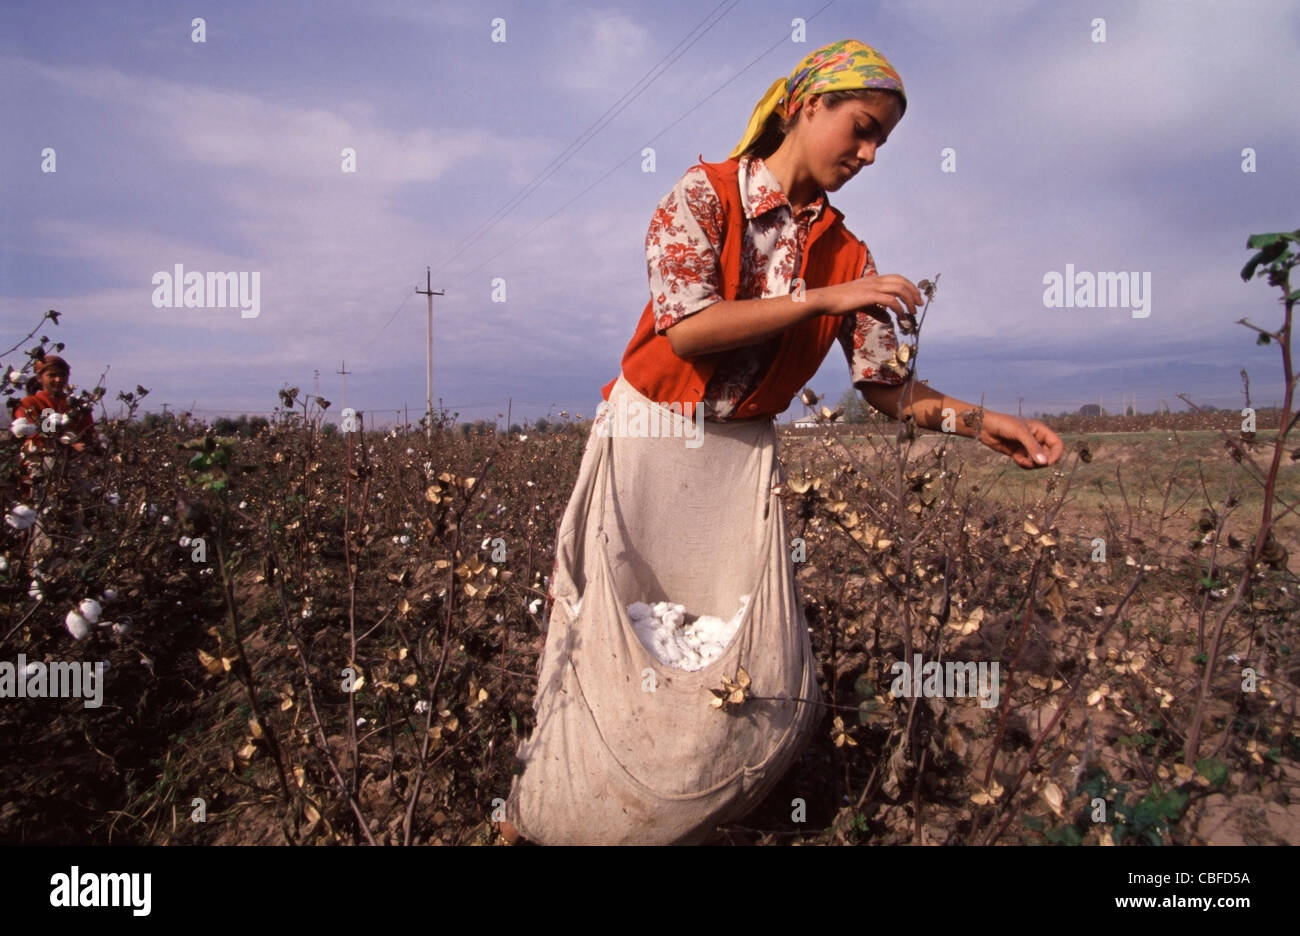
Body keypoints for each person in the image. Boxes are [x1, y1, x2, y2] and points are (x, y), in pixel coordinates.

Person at [499, 38, 1063, 845]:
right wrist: (826, 296)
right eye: (860, 130)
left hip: (736, 462)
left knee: (725, 651)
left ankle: (676, 806)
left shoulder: (845, 252)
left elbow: (885, 389)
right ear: (806, 107)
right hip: (649, 441)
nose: (868, 155)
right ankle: (554, 807)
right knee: (613, 640)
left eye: (881, 145)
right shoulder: (704, 197)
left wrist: (986, 424)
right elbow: (691, 330)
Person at [12, 355, 100, 549]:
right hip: (44, 472)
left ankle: (72, 564)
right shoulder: (31, 403)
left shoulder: (77, 407)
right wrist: (70, 442)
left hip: (74, 473)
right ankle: (42, 564)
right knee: (45, 517)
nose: (58, 380)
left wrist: (88, 445)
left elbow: (90, 435)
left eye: (62, 375)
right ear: (40, 377)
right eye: (52, 375)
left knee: (76, 517)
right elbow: (44, 433)